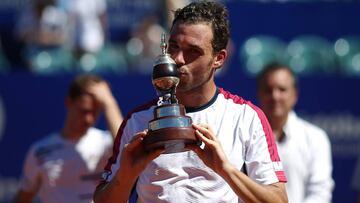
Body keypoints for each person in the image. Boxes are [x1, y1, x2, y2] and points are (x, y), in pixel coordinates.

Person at [94, 2, 288, 203]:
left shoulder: (246, 117)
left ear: (218, 59)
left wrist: (225, 169)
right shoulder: (138, 120)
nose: (178, 59)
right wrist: (125, 176)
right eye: (174, 46)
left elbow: (279, 200)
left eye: (193, 51)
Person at [13, 74, 123, 203]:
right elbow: (22, 198)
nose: (89, 119)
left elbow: (125, 148)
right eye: (84, 111)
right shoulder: (40, 151)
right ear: (68, 103)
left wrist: (109, 102)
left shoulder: (106, 142)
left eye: (95, 112)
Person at [256, 63, 334, 203]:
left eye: (282, 89)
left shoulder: (316, 138)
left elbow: (320, 194)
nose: (275, 96)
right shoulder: (245, 135)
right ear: (259, 94)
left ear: (295, 94)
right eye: (268, 90)